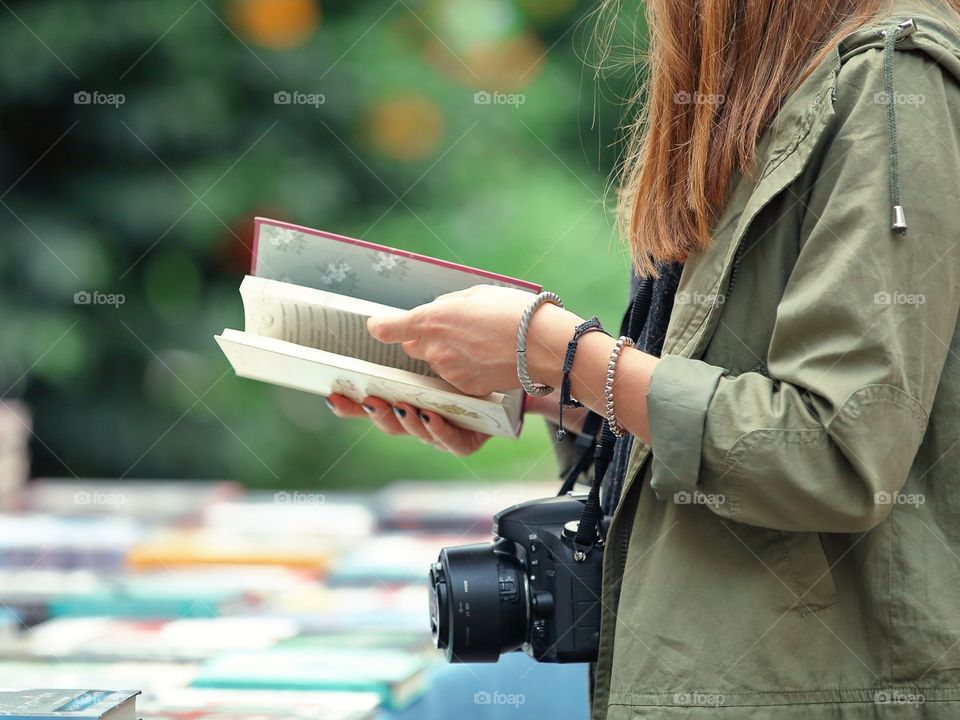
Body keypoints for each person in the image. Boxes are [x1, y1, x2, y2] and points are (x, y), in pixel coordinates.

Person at [328, 0, 960, 717]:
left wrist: (558, 350)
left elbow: (830, 454)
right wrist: (539, 383)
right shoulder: (783, 81)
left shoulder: (893, 83)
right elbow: (728, 387)